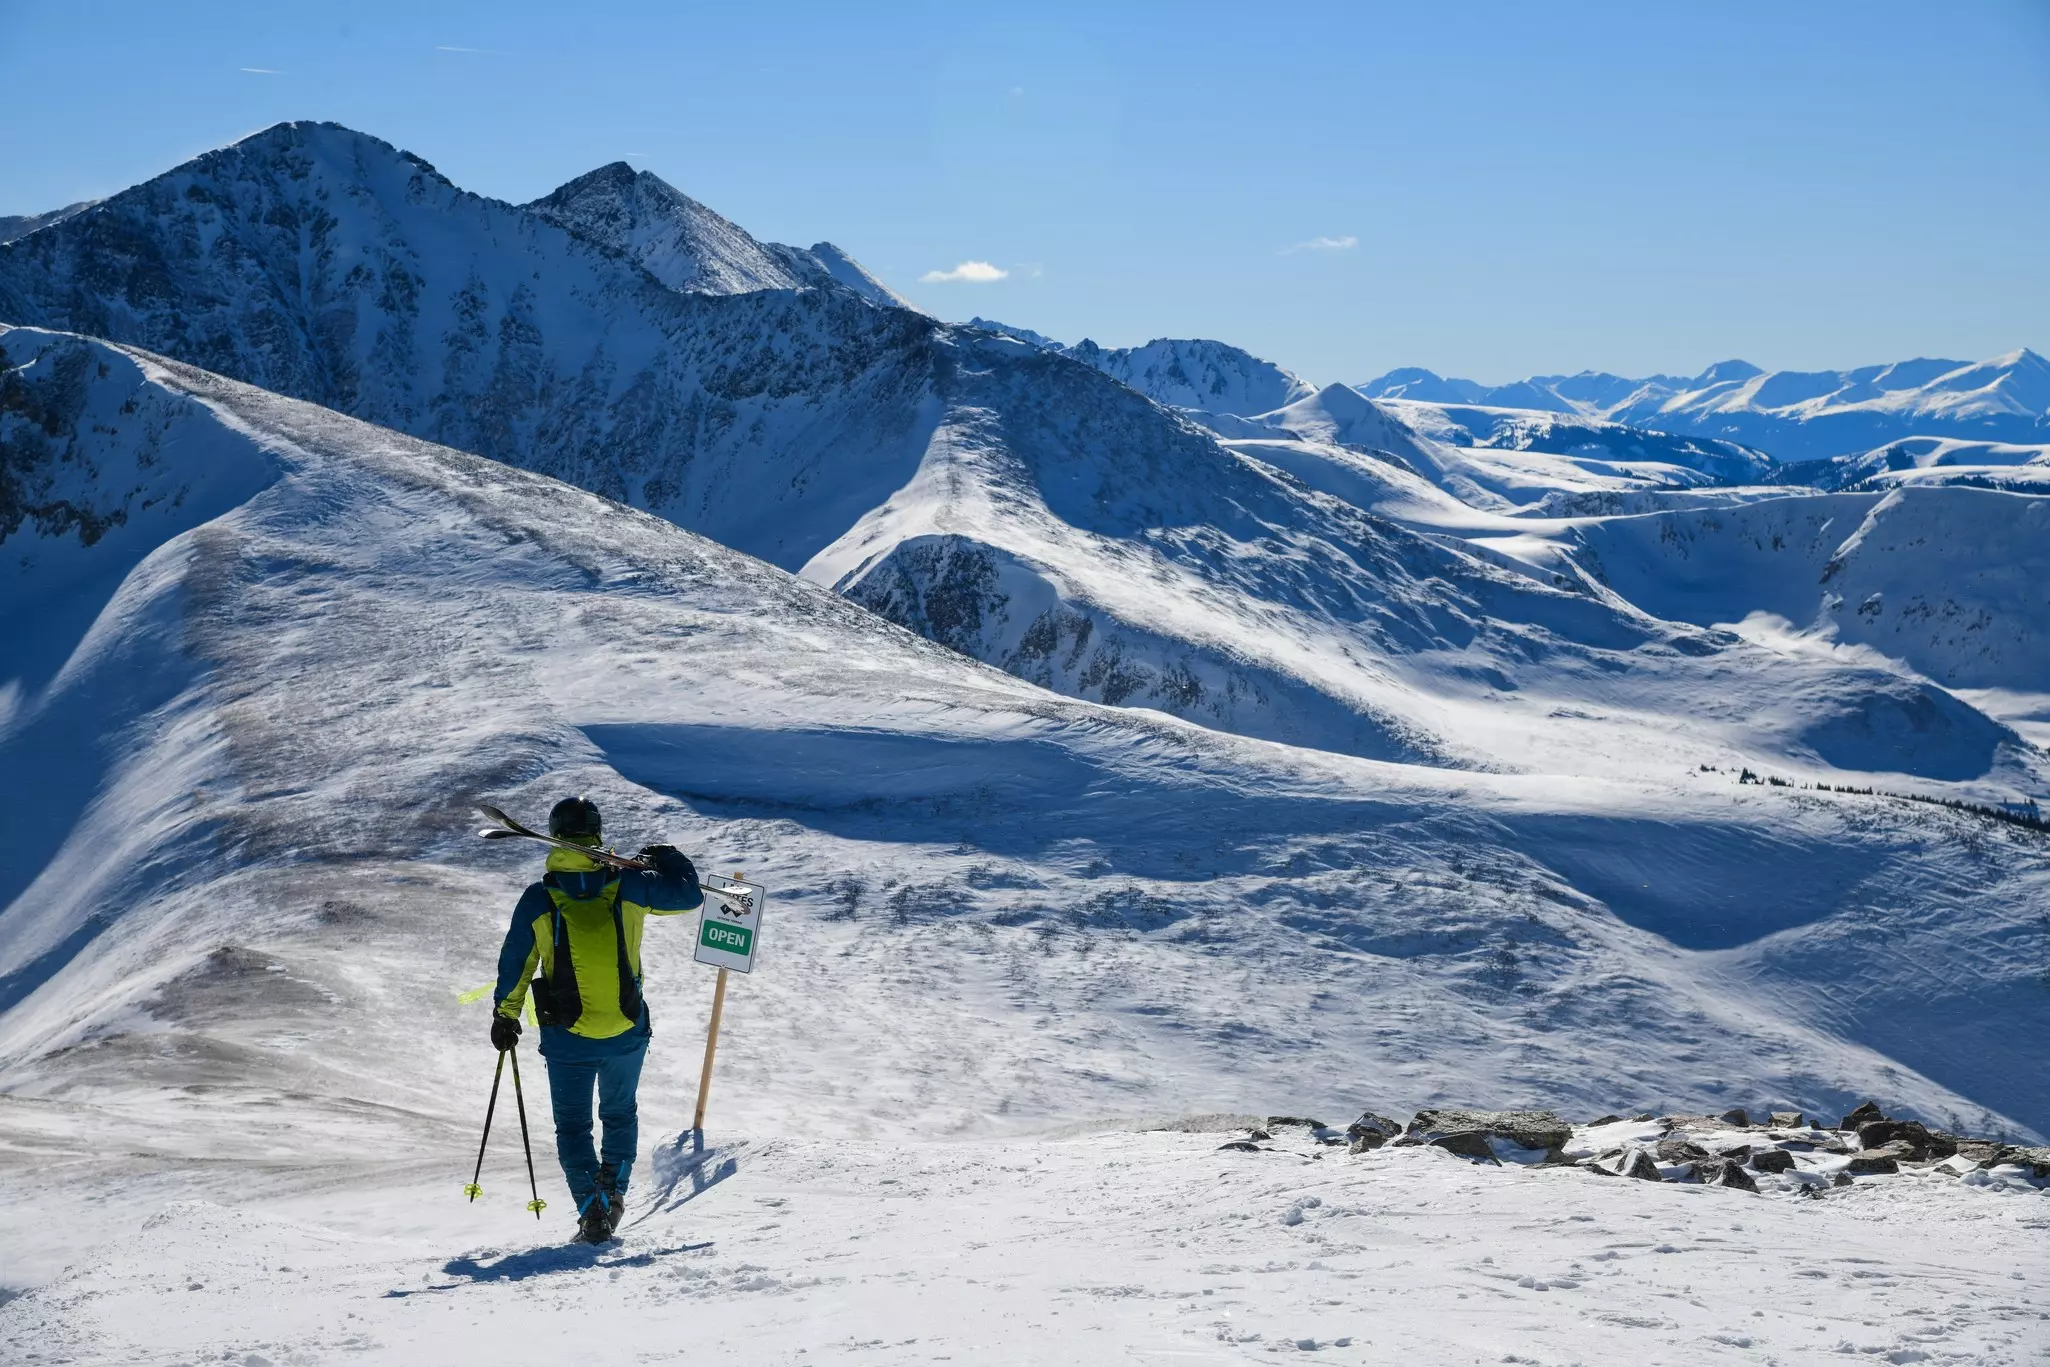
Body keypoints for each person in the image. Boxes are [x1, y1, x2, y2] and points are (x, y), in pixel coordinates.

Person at [490, 796, 703, 1243]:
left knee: (572, 1125)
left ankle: (591, 1209)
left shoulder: (539, 898)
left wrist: (506, 1015)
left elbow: (517, 963)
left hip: (567, 1038)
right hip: (626, 1032)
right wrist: (662, 855)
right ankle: (615, 1195)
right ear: (598, 833)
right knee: (620, 1114)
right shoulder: (629, 885)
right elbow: (687, 894)